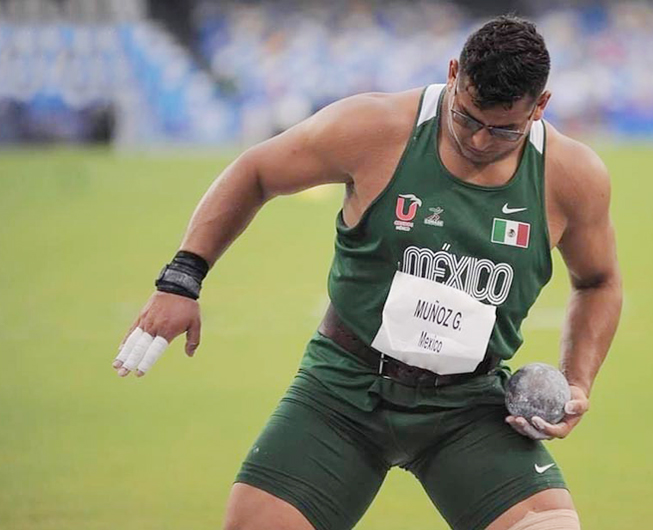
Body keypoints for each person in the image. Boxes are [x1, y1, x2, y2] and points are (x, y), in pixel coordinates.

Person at [113, 15, 622, 530]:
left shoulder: (571, 176)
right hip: (342, 390)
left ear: (541, 106)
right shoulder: (377, 128)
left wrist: (578, 381)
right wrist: (182, 278)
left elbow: (599, 280)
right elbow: (257, 172)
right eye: (467, 118)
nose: (481, 141)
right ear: (452, 75)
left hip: (470, 406)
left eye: (504, 129)